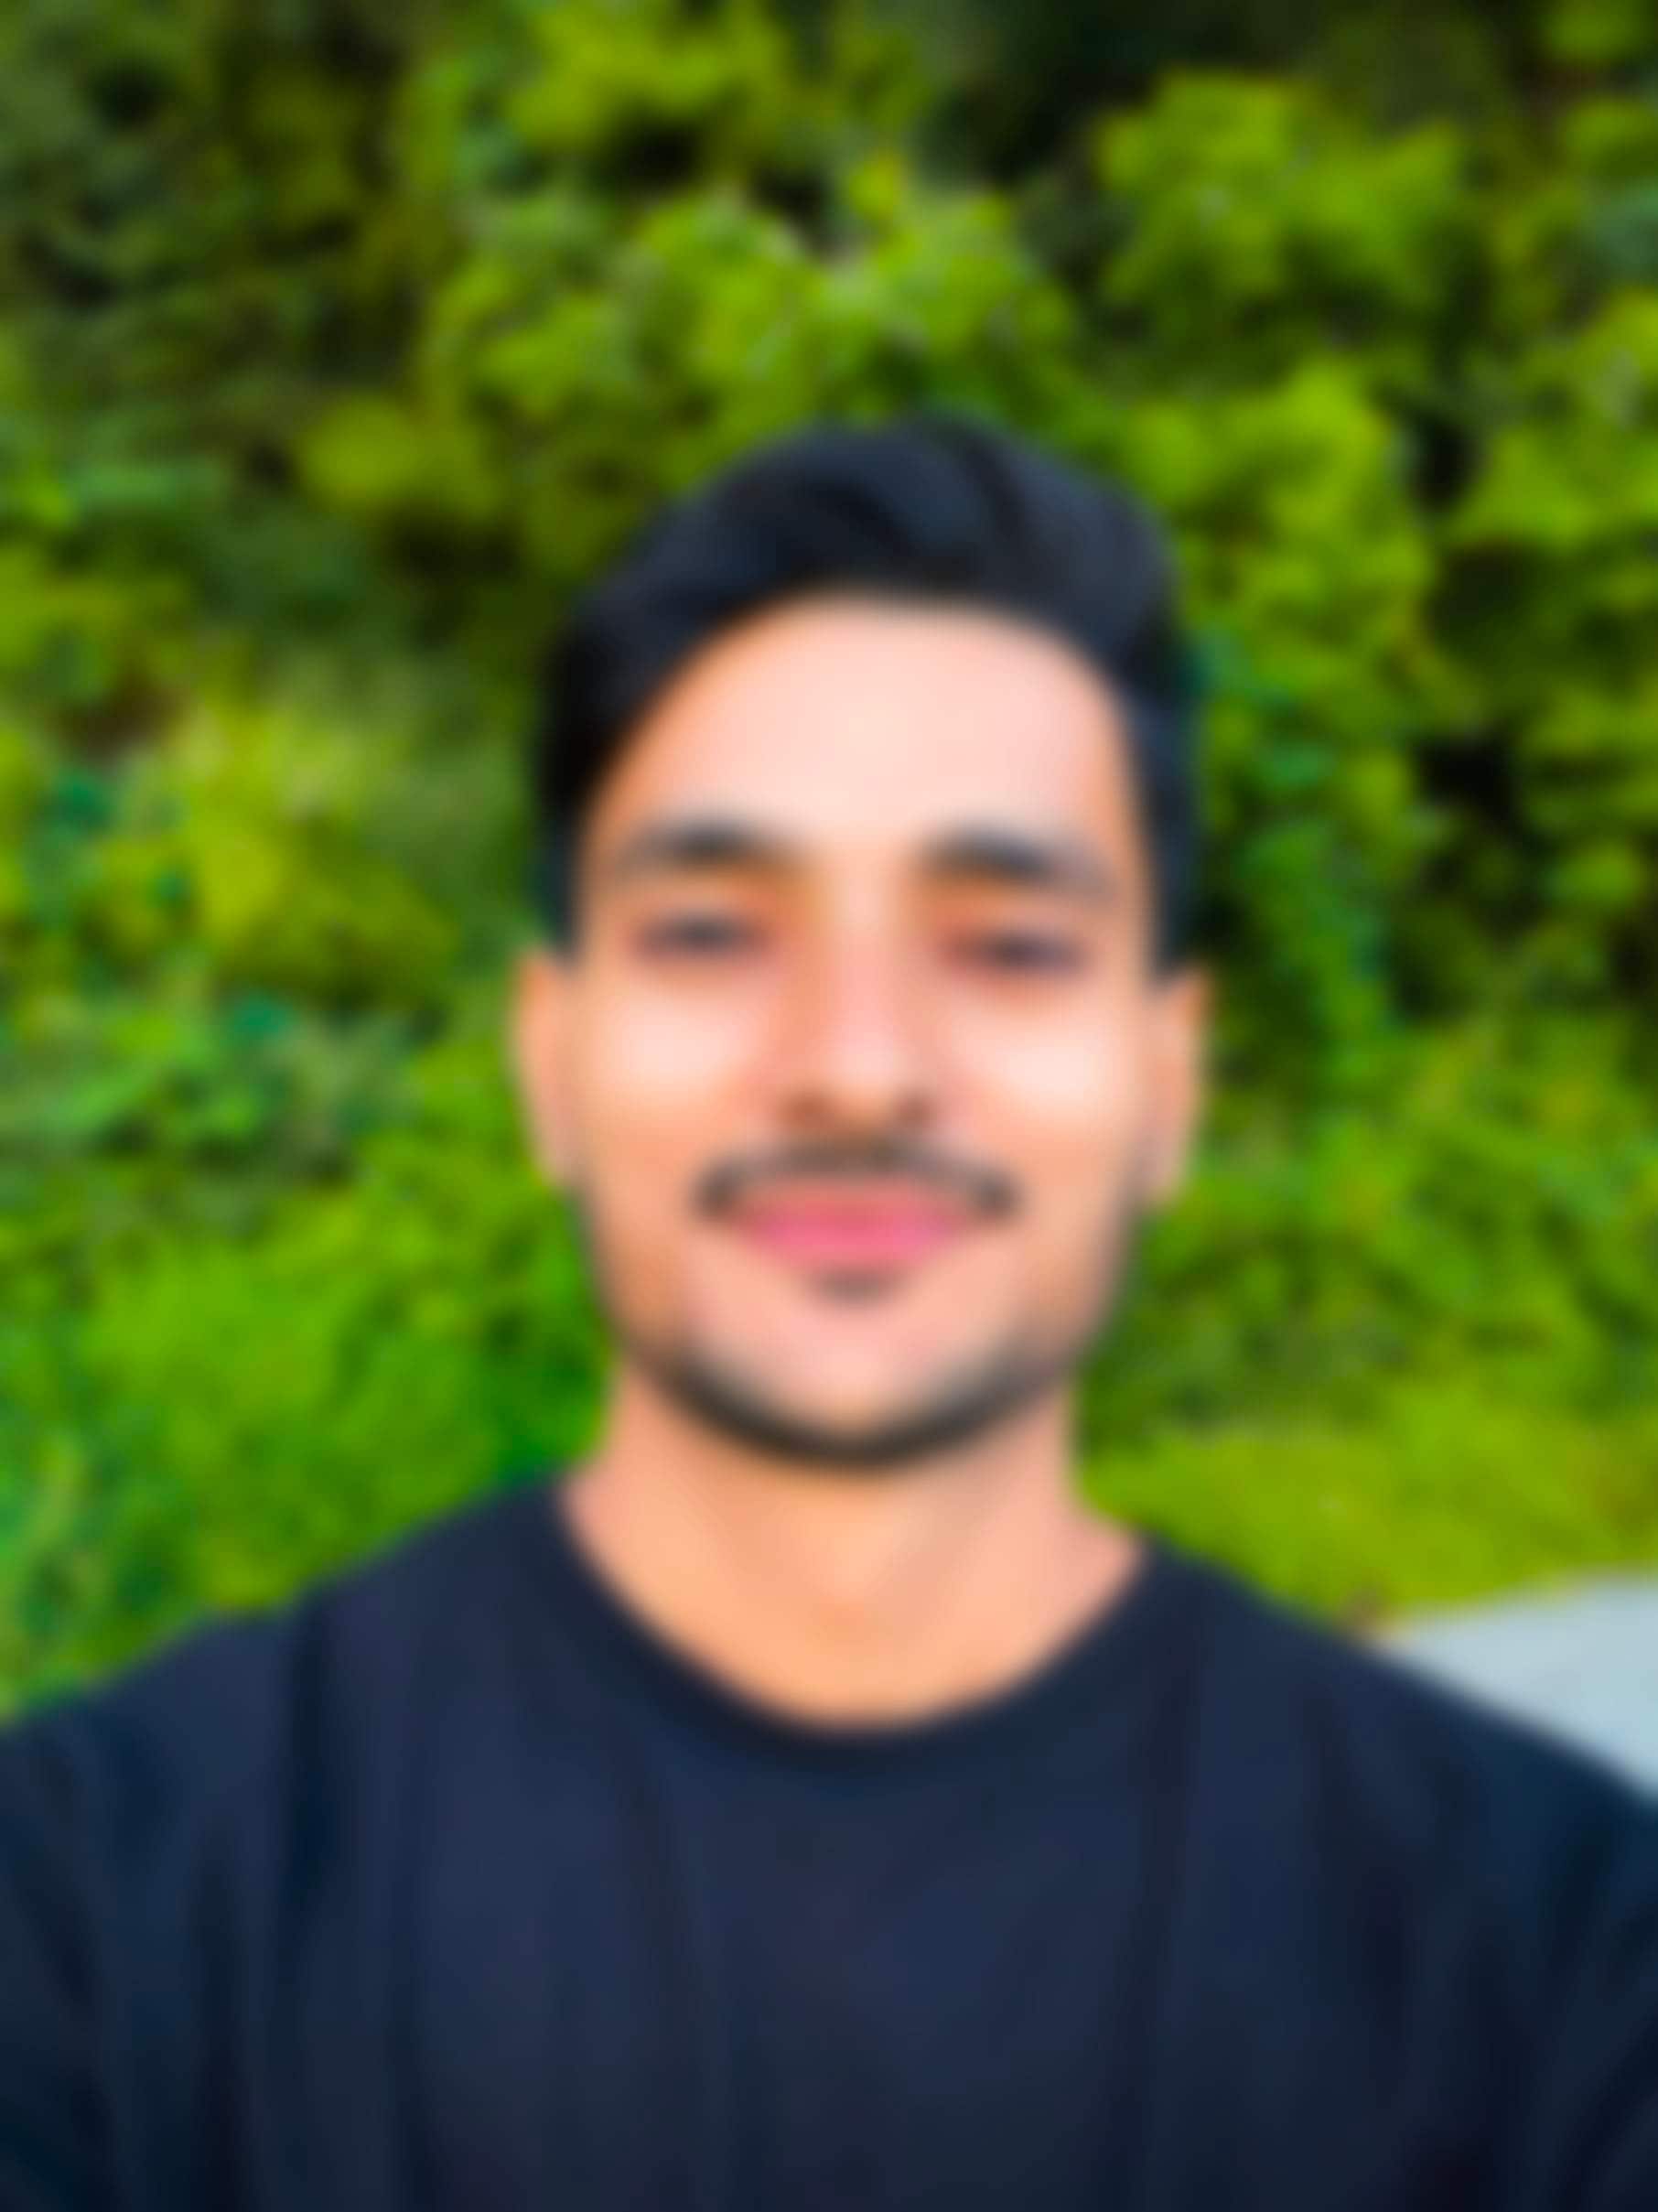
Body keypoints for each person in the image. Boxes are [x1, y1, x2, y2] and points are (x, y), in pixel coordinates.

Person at [3, 415, 1655, 2212]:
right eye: (714, 931)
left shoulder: (1563, 1963)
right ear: (550, 1057)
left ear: (1171, 1080)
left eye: (1009, 944)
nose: (860, 1065)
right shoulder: (92, 1913)